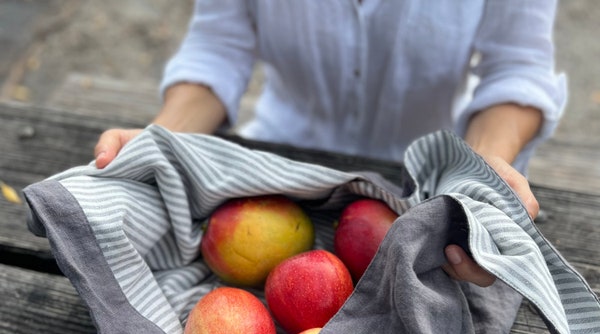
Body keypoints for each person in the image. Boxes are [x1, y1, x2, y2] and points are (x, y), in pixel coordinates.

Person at [93, 0, 566, 287]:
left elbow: (517, 68)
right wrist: (162, 137)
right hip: (276, 171)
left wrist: (484, 162)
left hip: (422, 191)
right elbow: (219, 45)